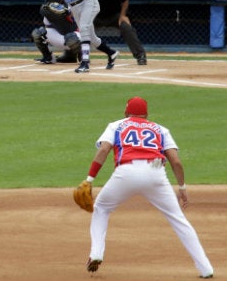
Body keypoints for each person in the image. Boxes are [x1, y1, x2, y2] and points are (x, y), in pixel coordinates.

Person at [78, 96, 214, 279]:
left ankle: (96, 253)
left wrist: (89, 179)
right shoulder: (160, 129)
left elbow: (103, 150)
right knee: (178, 219)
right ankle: (206, 268)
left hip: (125, 173)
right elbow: (176, 161)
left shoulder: (116, 125)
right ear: (147, 114)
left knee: (101, 208)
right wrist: (182, 188)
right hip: (156, 173)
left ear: (126, 112)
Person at [87, 0, 147, 65]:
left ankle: (140, 55)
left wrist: (122, 16)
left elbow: (125, 0)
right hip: (94, 16)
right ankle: (79, 55)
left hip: (113, 16)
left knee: (126, 27)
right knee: (82, 28)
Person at [31, 0, 81, 64]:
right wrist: (55, 11)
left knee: (71, 37)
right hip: (59, 38)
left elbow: (72, 25)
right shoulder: (46, 8)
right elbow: (43, 11)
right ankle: (48, 57)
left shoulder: (70, 5)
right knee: (38, 33)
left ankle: (83, 58)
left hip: (76, 36)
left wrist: (66, 12)